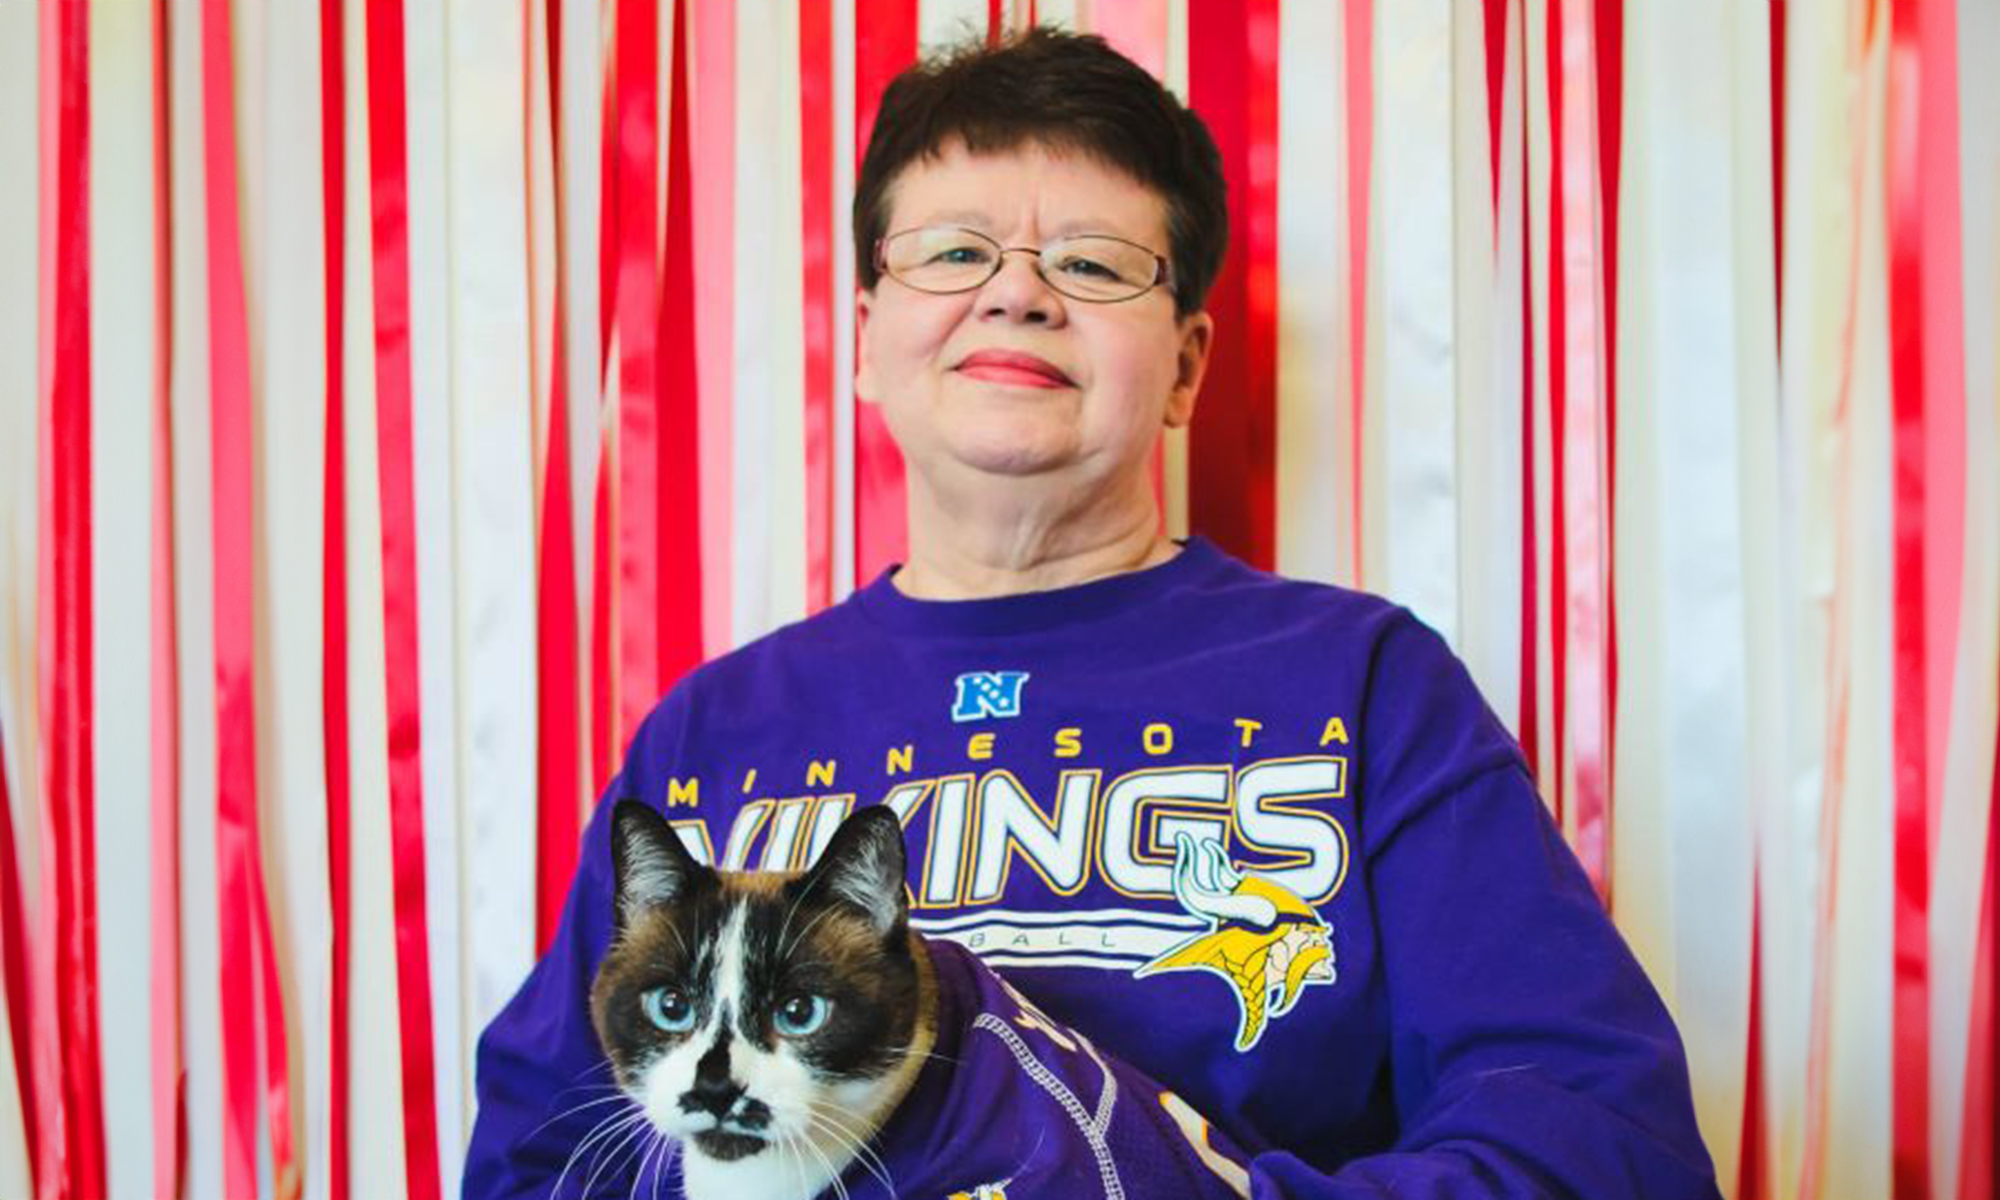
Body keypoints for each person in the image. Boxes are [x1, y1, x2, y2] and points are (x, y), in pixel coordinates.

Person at [464, 27, 1723, 1199]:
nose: (1015, 295)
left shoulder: (1360, 680)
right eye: (953, 253)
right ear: (866, 336)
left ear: (1182, 365)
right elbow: (532, 1157)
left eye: (1090, 262)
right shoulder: (715, 727)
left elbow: (1606, 1145)